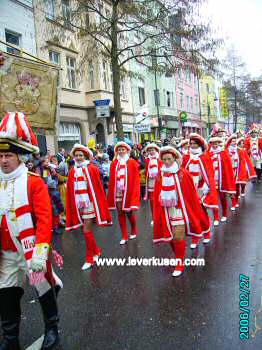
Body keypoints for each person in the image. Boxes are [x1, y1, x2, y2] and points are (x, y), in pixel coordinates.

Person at [0, 112, 62, 350]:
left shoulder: (34, 181)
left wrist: (40, 251)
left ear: (19, 156)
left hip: (30, 250)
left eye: (9, 155)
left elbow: (45, 219)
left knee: (42, 288)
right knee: (6, 295)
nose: (4, 160)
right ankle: (10, 338)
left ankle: (52, 328)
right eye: (1, 155)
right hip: (6, 253)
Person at [153, 146, 209, 277]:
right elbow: (156, 195)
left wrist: (194, 206)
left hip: (180, 210)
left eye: (169, 159)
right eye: (164, 159)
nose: (167, 162)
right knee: (170, 237)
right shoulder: (160, 175)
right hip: (166, 210)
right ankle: (178, 256)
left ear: (175, 159)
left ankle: (180, 262)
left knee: (178, 236)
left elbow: (190, 194)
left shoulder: (183, 173)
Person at [66, 144, 112, 270]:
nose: (78, 157)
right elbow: (71, 190)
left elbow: (96, 187)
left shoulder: (92, 168)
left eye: (81, 155)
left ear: (85, 156)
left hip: (90, 204)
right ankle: (96, 251)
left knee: (86, 229)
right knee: (85, 230)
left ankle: (89, 258)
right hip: (79, 204)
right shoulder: (72, 171)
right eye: (76, 155)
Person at [182, 133, 218, 247]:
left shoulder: (205, 157)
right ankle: (195, 237)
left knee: (201, 213)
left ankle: (206, 233)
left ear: (200, 145)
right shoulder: (186, 157)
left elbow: (209, 173)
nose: (192, 145)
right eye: (191, 143)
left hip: (201, 189)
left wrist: (207, 187)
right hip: (189, 189)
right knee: (191, 215)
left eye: (195, 143)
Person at [107, 142, 140, 245]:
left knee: (129, 212)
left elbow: (135, 178)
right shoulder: (113, 163)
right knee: (120, 212)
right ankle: (124, 235)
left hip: (128, 191)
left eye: (123, 149)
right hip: (118, 191)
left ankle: (134, 229)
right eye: (119, 150)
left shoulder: (132, 162)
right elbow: (112, 179)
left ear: (127, 150)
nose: (121, 151)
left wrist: (134, 192)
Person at [207, 137, 236, 225]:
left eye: (216, 143)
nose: (215, 145)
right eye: (213, 143)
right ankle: (215, 218)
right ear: (211, 144)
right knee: (214, 199)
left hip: (221, 180)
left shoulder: (223, 153)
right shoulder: (208, 153)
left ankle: (224, 214)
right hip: (212, 180)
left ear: (218, 143)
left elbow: (227, 167)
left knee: (223, 198)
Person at [225, 134, 247, 210]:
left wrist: (242, 172)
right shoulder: (225, 150)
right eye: (232, 141)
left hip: (237, 171)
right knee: (231, 188)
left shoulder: (239, 150)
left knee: (237, 187)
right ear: (229, 142)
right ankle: (233, 203)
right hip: (229, 172)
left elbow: (242, 162)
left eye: (234, 141)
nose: (233, 143)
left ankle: (236, 201)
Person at [143, 143, 162, 226]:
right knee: (152, 201)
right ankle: (154, 218)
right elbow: (146, 170)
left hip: (160, 181)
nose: (151, 152)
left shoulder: (160, 159)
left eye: (152, 150)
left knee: (160, 199)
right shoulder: (147, 160)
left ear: (156, 150)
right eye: (149, 150)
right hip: (151, 182)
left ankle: (161, 217)